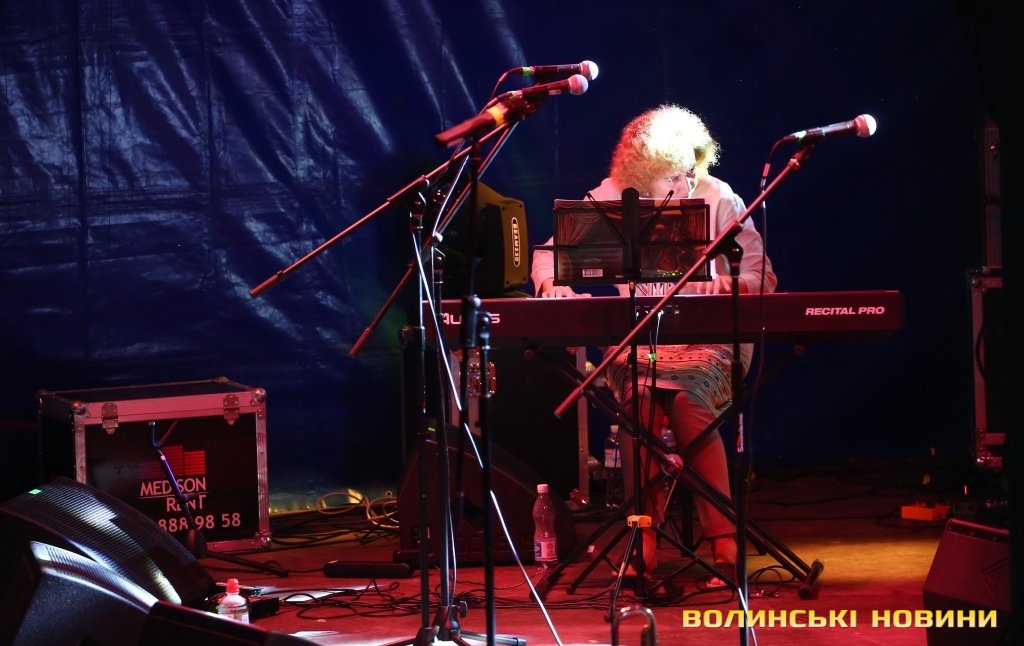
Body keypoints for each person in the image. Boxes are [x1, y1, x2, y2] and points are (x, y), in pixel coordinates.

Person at [530, 104, 777, 589]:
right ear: (641, 174)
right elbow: (546, 255)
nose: (684, 183)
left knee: (686, 399)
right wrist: (552, 285)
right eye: (671, 176)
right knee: (640, 402)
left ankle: (723, 542)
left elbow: (762, 276)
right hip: (640, 344)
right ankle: (643, 539)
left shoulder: (718, 197)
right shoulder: (613, 196)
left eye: (687, 172)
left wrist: (724, 286)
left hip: (712, 344)